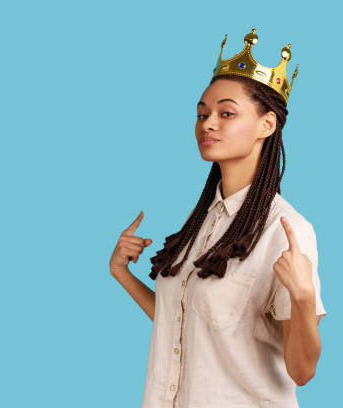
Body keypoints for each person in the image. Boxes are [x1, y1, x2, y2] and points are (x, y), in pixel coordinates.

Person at [109, 28, 327, 408]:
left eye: (227, 113)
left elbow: (302, 371)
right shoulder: (202, 222)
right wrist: (122, 274)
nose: (208, 124)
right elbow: (184, 325)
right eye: (202, 113)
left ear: (267, 124)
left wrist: (304, 298)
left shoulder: (286, 231)